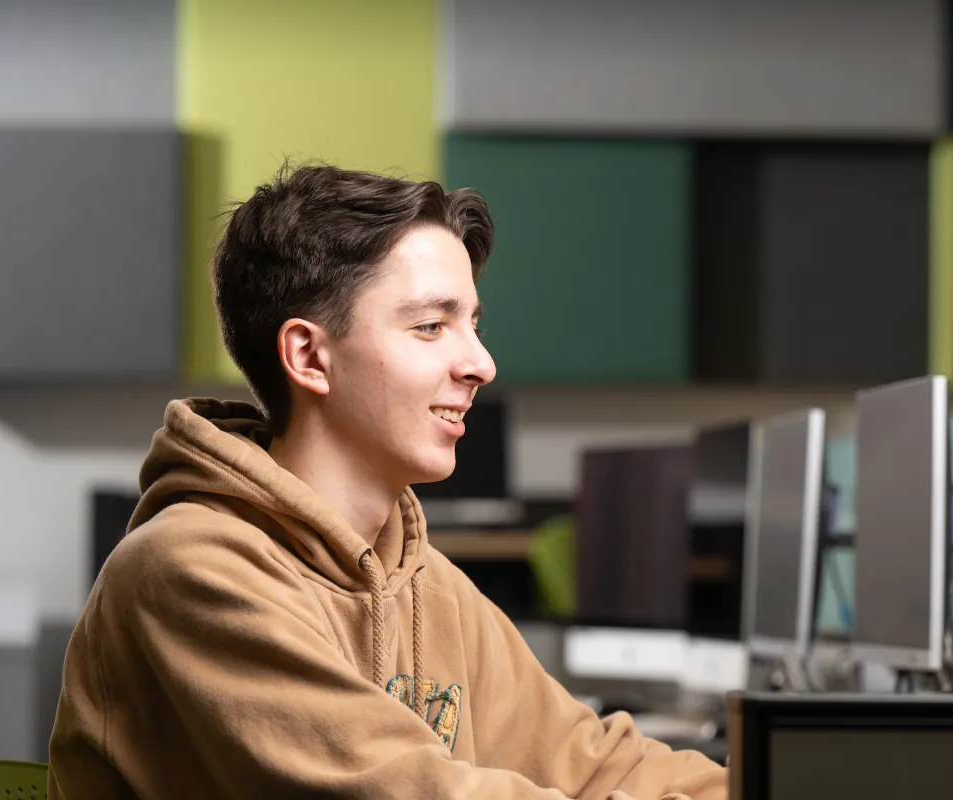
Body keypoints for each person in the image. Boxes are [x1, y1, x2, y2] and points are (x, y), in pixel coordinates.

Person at [47, 164, 728, 799]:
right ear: (310, 356)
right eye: (432, 326)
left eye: (473, 324)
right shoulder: (190, 571)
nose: (481, 363)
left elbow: (594, 761)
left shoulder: (427, 583)